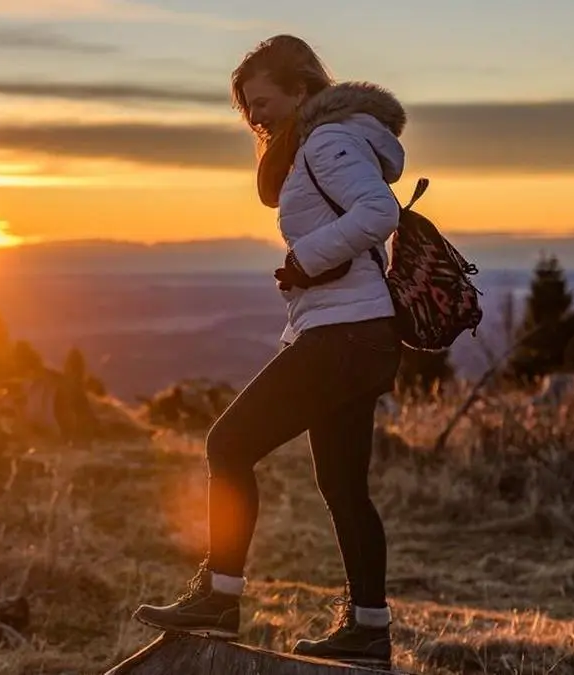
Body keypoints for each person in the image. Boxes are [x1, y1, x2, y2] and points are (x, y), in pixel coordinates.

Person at [132, 34, 407, 668]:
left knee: (226, 445)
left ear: (303, 90)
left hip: (344, 333)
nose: (255, 118)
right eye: (247, 108)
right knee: (342, 484)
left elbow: (378, 211)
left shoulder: (328, 141)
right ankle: (369, 629)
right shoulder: (325, 141)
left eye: (264, 101)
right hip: (360, 332)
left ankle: (220, 597)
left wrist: (304, 260)